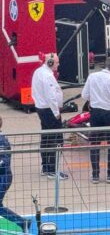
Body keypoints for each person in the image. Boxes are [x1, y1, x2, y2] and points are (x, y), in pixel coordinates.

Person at [31, 52, 68, 180]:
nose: (59, 64)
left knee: (46, 138)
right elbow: (51, 96)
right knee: (56, 139)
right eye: (57, 62)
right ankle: (53, 170)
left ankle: (46, 167)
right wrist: (56, 113)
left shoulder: (38, 72)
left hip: (42, 109)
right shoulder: (47, 76)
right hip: (50, 110)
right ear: (51, 63)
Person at [0, 116, 30, 233]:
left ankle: (22, 222)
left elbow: (4, 161)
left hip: (2, 177)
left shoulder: (2, 141)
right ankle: (22, 222)